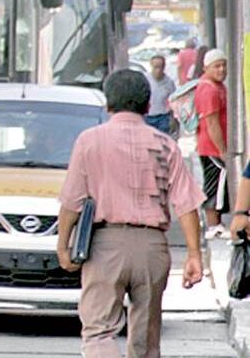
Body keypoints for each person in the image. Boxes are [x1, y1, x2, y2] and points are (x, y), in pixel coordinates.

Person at [57, 69, 204, 358]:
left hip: (105, 245)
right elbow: (186, 203)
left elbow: (72, 201)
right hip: (152, 249)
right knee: (146, 340)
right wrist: (194, 254)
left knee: (99, 331)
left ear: (108, 104)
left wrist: (63, 245)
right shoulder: (165, 145)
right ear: (148, 106)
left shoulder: (89, 141)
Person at [196, 49, 229, 239]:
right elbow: (212, 122)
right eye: (217, 66)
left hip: (211, 146)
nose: (222, 69)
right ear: (206, 68)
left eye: (223, 65)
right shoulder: (209, 89)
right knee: (215, 184)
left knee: (218, 183)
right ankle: (212, 224)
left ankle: (216, 222)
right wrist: (222, 149)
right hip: (212, 147)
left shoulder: (217, 87)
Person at [144, 54, 177, 135]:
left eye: (161, 67)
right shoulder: (145, 80)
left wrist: (173, 119)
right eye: (156, 67)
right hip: (147, 117)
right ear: (151, 66)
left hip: (163, 117)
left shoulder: (169, 82)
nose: (158, 70)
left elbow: (173, 102)